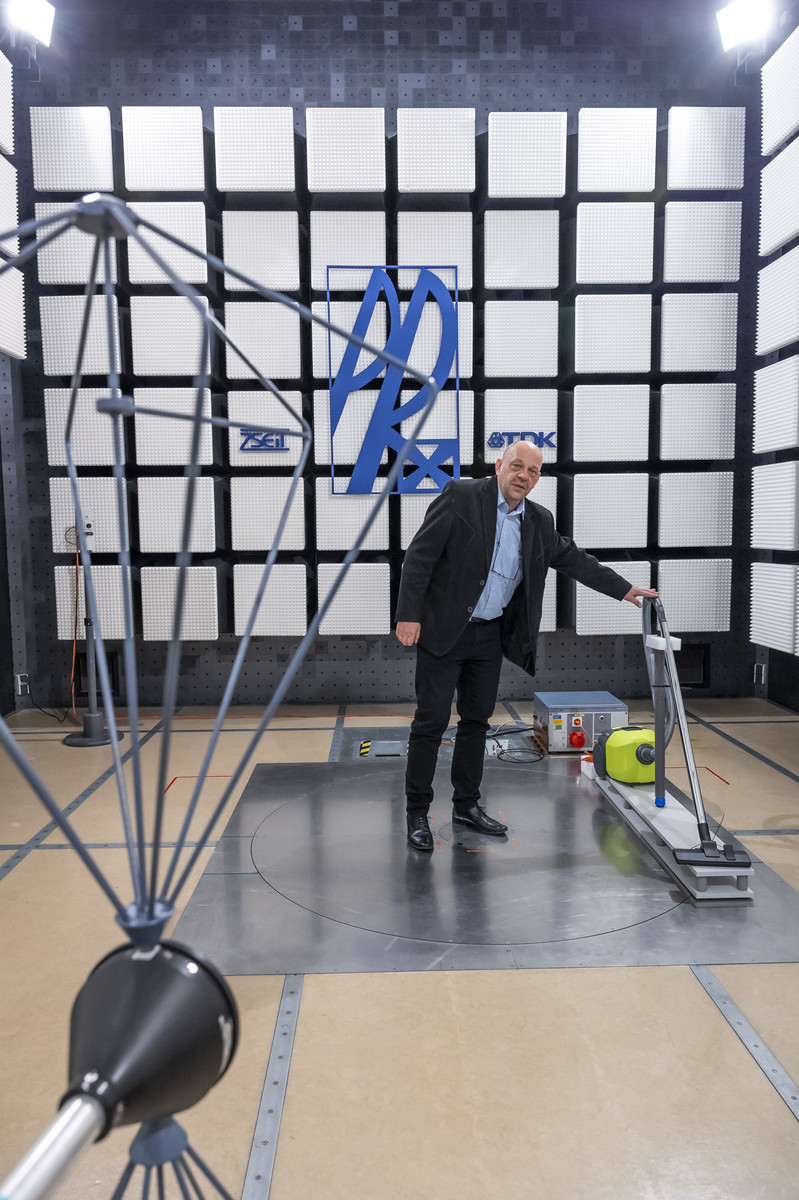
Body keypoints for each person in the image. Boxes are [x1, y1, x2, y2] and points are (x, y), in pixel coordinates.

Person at [395, 440, 657, 851]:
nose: (524, 476)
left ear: (537, 478)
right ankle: (416, 812)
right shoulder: (461, 496)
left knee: (476, 722)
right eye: (517, 466)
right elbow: (419, 557)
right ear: (499, 465)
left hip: (489, 635)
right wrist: (408, 615)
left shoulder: (538, 520)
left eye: (533, 471)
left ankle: (466, 805)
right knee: (430, 722)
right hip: (445, 630)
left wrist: (623, 588)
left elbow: (574, 559)